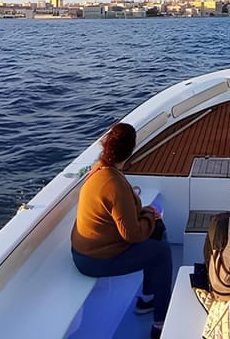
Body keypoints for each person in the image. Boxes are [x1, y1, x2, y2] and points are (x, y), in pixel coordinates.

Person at [71, 122, 171, 339]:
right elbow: (132, 235)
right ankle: (160, 323)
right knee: (162, 252)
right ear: (130, 150)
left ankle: (147, 299)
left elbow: (117, 214)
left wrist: (144, 213)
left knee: (156, 237)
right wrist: (149, 216)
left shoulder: (100, 169)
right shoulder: (114, 184)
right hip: (94, 259)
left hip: (85, 249)